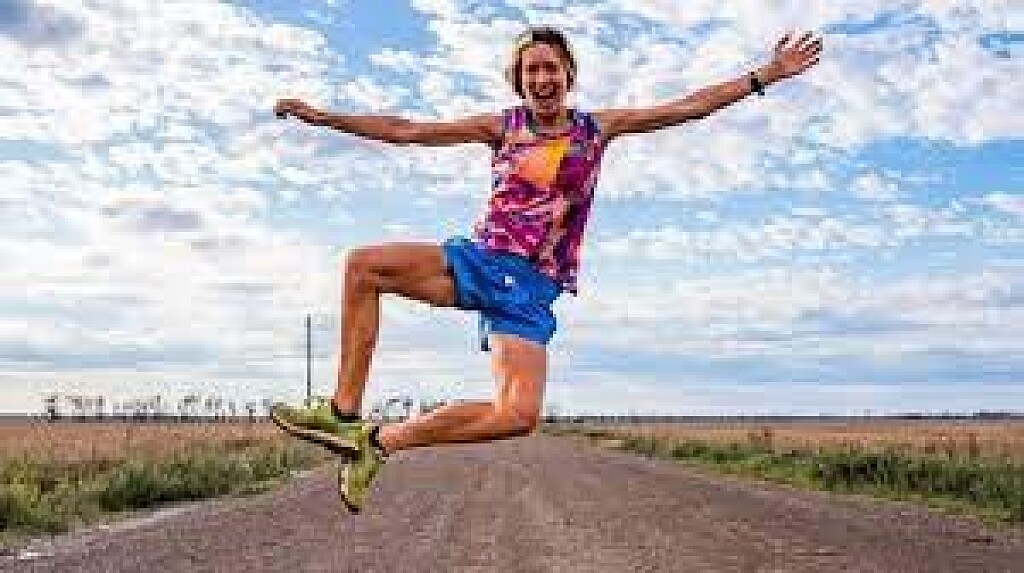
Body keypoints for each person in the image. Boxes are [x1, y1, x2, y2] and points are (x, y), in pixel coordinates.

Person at [270, 27, 822, 512]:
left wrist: (766, 75)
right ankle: (343, 411)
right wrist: (323, 118)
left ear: (568, 75)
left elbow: (686, 107)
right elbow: (407, 130)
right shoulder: (502, 127)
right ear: (519, 81)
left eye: (550, 68)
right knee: (364, 267)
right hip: (484, 261)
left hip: (534, 288)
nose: (542, 79)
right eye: (531, 70)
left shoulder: (595, 129)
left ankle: (378, 443)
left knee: (518, 416)